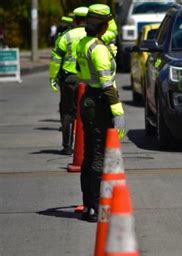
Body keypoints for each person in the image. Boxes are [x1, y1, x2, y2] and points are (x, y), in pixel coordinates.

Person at [76, 4, 125, 222]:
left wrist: (107, 49)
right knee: (98, 157)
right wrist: (118, 113)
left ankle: (89, 205)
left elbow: (82, 70)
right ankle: (95, 207)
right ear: (103, 25)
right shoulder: (99, 49)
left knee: (88, 156)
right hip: (99, 103)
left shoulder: (84, 43)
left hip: (87, 99)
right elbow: (107, 85)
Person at [49, 7, 88, 155]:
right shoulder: (95, 36)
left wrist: (53, 77)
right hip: (89, 80)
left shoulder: (66, 36)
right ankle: (87, 146)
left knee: (68, 113)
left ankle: (67, 146)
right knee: (90, 112)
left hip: (69, 79)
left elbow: (56, 58)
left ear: (75, 19)